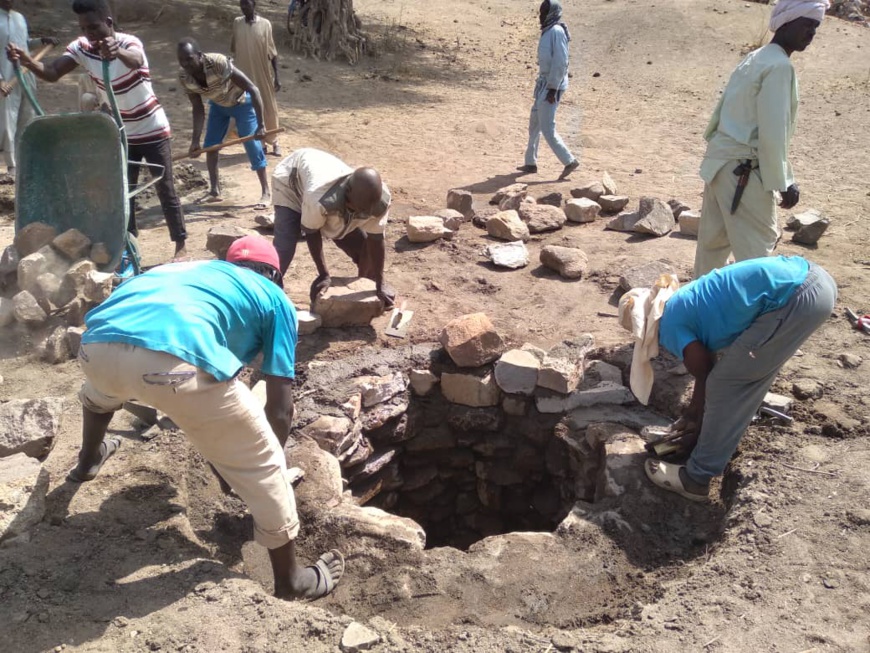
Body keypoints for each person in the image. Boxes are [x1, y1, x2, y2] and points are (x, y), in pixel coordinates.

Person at [70, 236, 345, 600]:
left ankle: (88, 460)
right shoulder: (273, 296)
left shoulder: (182, 271)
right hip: (173, 370)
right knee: (263, 465)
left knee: (101, 392)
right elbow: (280, 407)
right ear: (274, 275)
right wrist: (251, 464)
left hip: (95, 350)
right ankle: (292, 580)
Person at [618, 256, 836, 502]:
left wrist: (697, 425)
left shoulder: (666, 324)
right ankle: (711, 443)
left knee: (729, 385)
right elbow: (707, 366)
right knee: (743, 374)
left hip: (795, 298)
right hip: (813, 280)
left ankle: (696, 479)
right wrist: (692, 416)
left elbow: (707, 373)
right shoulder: (681, 302)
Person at [7, 0, 188, 258]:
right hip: (122, 133)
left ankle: (180, 244)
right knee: (124, 193)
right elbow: (52, 72)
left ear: (108, 23)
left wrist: (117, 53)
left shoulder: (129, 43)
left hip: (152, 128)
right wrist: (27, 61)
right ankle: (128, 247)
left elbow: (136, 61)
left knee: (166, 188)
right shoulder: (82, 48)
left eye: (93, 27)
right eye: (84, 28)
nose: (89, 34)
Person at [693, 0, 830, 278]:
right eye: (807, 24)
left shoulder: (755, 57)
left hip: (719, 165)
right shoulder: (779, 67)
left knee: (712, 248)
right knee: (759, 252)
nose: (811, 33)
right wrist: (783, 180)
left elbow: (719, 116)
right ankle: (755, 318)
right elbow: (772, 131)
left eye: (816, 27)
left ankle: (700, 313)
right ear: (787, 22)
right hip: (744, 170)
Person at [271, 147, 396, 309]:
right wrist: (323, 274)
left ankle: (368, 293)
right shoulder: (319, 197)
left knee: (365, 249)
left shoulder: (379, 199)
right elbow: (312, 232)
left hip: (323, 189)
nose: (362, 214)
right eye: (357, 209)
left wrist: (380, 283)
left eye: (365, 212)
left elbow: (376, 240)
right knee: (285, 246)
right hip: (290, 184)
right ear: (347, 193)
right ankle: (265, 295)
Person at [177, 37, 270, 208]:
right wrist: (195, 141)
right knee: (211, 146)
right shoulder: (184, 77)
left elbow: (253, 89)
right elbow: (197, 108)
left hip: (241, 102)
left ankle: (265, 191)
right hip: (218, 106)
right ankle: (214, 190)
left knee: (251, 143)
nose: (185, 64)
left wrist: (261, 125)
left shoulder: (218, 62)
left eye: (189, 59)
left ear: (199, 55)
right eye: (181, 60)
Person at [517, 0, 579, 180]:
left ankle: (569, 160)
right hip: (544, 84)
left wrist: (552, 89)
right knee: (534, 122)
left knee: (547, 127)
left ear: (551, 13)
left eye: (543, 12)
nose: (540, 16)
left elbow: (560, 63)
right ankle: (530, 163)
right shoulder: (548, 31)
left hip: (552, 86)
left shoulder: (556, 32)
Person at [0, 0, 58, 177]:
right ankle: (12, 166)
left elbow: (24, 44)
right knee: (8, 121)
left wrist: (41, 41)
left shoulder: (19, 18)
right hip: (7, 79)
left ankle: (26, 159)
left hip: (26, 75)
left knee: (28, 117)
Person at [231, 0, 281, 156]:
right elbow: (234, 49)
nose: (243, 7)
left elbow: (272, 53)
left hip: (262, 73)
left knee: (268, 107)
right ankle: (259, 143)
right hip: (243, 75)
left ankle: (274, 141)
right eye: (241, 4)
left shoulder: (265, 24)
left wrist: (277, 76)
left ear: (254, 5)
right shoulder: (237, 23)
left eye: (246, 4)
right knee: (248, 109)